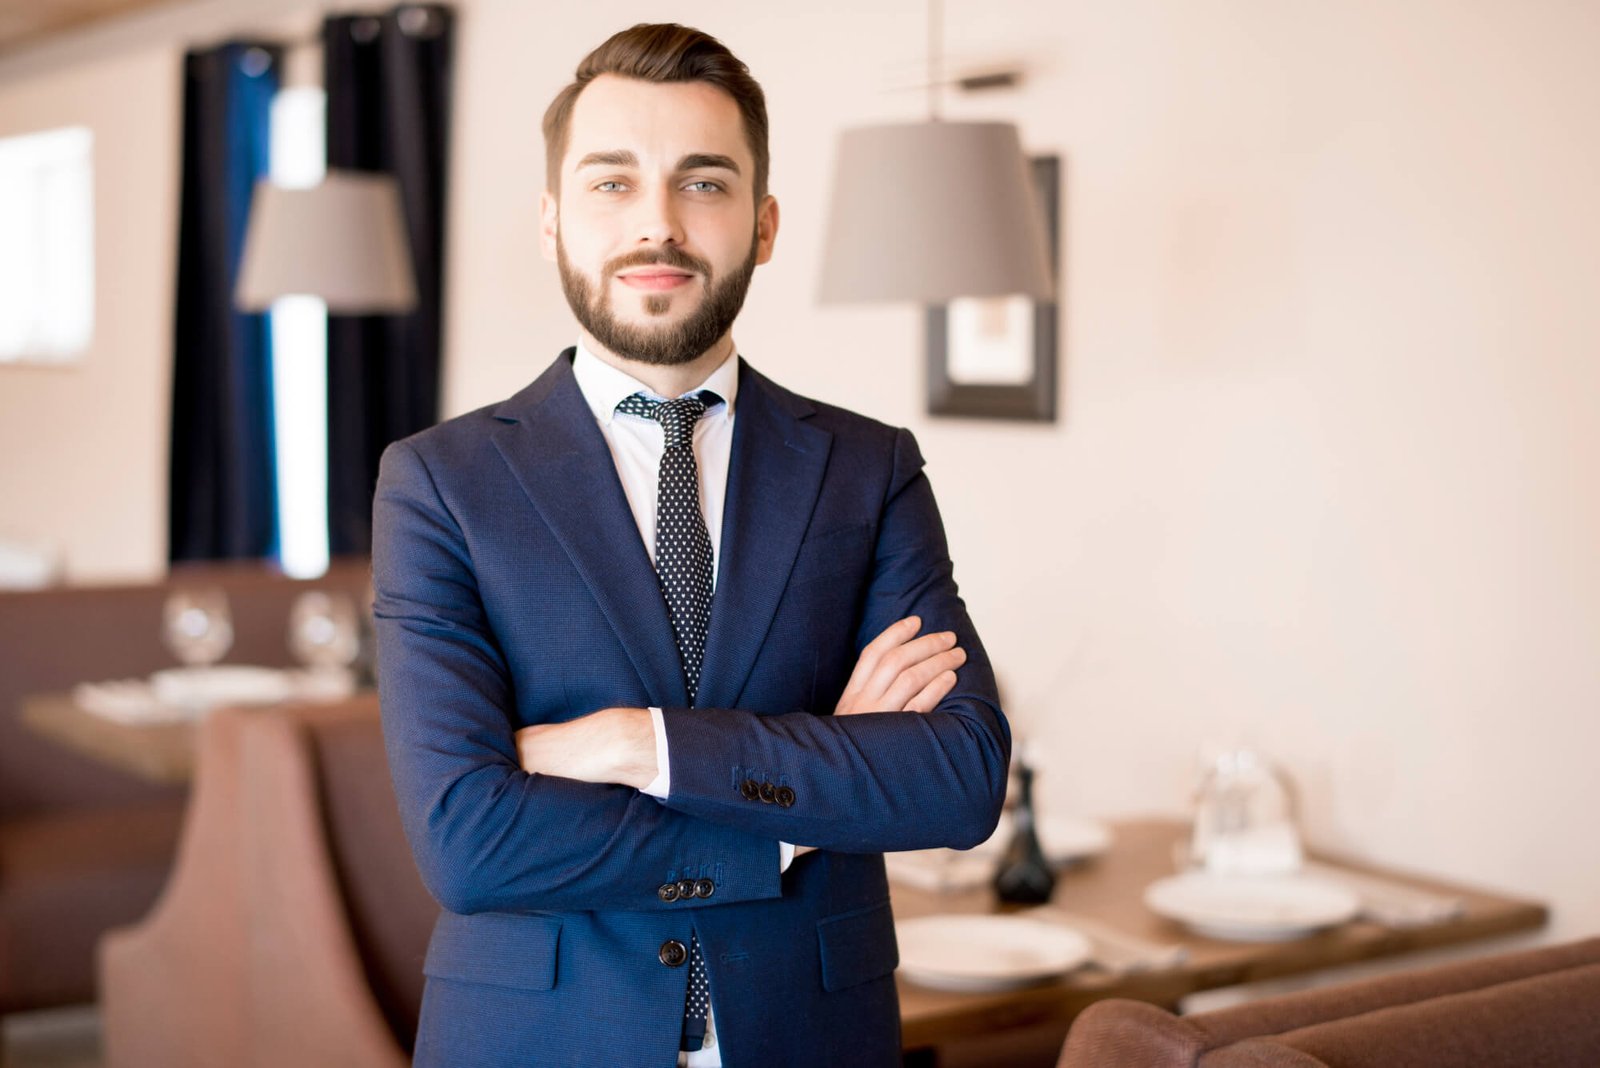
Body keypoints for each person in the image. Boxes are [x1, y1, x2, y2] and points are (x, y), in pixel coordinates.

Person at [372, 22, 1010, 1068]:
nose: (657, 225)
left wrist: (637, 743)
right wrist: (809, 798)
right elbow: (468, 843)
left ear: (761, 226)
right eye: (612, 184)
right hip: (539, 1037)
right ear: (552, 221)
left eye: (702, 184)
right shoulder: (441, 483)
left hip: (812, 1033)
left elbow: (957, 778)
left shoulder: (866, 468)